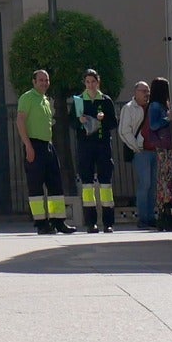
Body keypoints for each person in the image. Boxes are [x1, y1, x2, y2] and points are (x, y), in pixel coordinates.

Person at [17, 68, 75, 234]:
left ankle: (58, 221)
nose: (44, 83)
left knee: (55, 184)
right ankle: (41, 223)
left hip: (48, 145)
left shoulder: (46, 100)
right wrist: (28, 146)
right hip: (34, 145)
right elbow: (20, 121)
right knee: (35, 186)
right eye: (41, 80)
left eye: (46, 80)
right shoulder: (27, 97)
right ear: (34, 82)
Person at [70, 68, 117, 232]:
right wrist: (80, 120)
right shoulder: (78, 101)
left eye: (93, 81)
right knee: (87, 184)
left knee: (105, 183)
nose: (90, 85)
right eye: (88, 82)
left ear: (98, 82)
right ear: (84, 83)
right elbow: (72, 122)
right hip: (85, 145)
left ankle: (108, 223)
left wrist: (103, 119)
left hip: (103, 144)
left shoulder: (105, 100)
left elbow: (113, 123)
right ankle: (91, 223)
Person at [149, 76, 172, 229]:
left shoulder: (161, 105)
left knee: (170, 179)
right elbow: (153, 125)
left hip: (167, 147)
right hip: (164, 148)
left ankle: (170, 214)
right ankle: (167, 213)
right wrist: (167, 119)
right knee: (167, 178)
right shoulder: (155, 106)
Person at [119, 79, 155, 227]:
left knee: (153, 185)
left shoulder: (152, 107)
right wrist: (135, 147)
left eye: (148, 91)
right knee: (145, 184)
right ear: (136, 92)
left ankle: (151, 217)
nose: (147, 94)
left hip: (154, 150)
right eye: (143, 91)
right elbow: (124, 131)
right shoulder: (129, 108)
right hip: (141, 152)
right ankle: (143, 218)